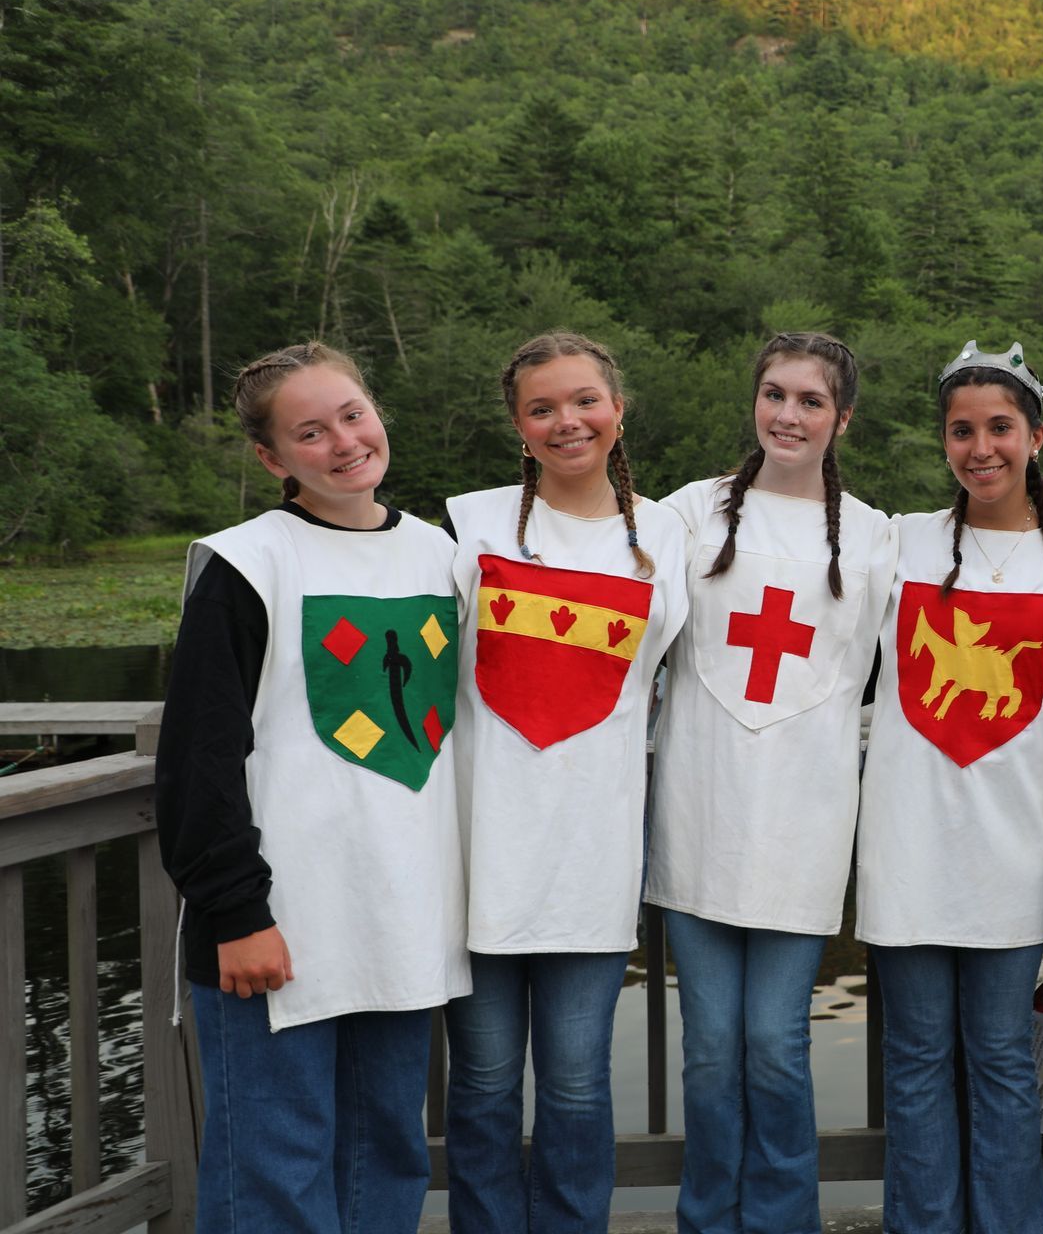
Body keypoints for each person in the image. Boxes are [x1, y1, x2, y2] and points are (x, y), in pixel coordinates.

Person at [155, 343, 469, 1234]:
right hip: (276, 929)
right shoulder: (245, 566)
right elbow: (198, 762)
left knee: (387, 1163)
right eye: (309, 431)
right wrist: (235, 912)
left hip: (399, 923)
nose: (342, 442)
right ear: (271, 458)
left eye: (353, 415)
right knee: (275, 1177)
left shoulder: (438, 557)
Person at [644, 331, 898, 1234]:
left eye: (811, 401)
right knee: (711, 1053)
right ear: (754, 401)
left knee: (776, 1051)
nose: (789, 415)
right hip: (698, 814)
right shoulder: (686, 514)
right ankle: (709, 1222)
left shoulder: (875, 538)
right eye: (775, 395)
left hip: (805, 826)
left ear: (843, 419)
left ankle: (783, 1222)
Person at [440, 332, 688, 1233]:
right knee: (483, 1081)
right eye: (541, 407)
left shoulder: (665, 536)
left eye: (583, 400)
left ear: (618, 409)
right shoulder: (467, 529)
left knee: (579, 1086)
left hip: (593, 852)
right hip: (482, 851)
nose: (566, 421)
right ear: (518, 425)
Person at [856, 341, 1043, 1234]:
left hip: (1011, 851)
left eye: (1000, 427)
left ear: (1035, 436)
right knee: (917, 1056)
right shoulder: (899, 541)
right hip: (908, 845)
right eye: (962, 430)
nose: (981, 447)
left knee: (1001, 1057)